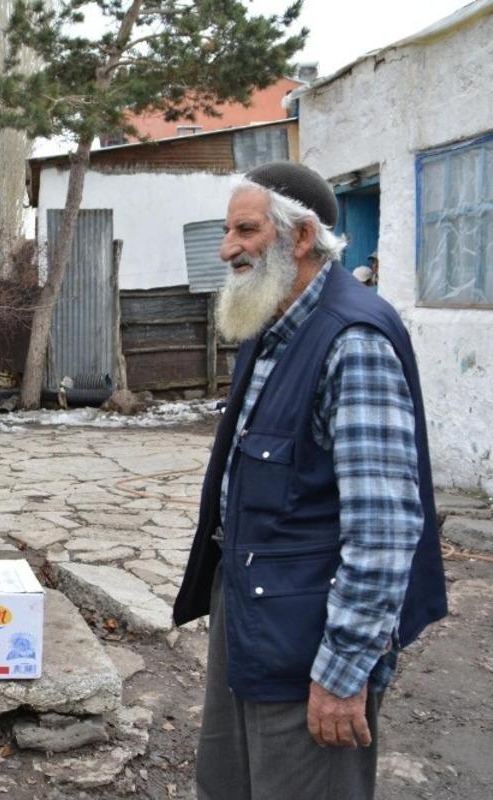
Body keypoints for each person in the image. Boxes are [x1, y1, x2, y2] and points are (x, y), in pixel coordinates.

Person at [173, 162, 447, 800]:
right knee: (229, 784)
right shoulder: (269, 327)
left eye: (245, 229)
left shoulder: (352, 343)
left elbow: (383, 532)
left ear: (300, 238)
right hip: (251, 614)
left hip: (308, 645)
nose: (227, 247)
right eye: (227, 229)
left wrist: (344, 672)